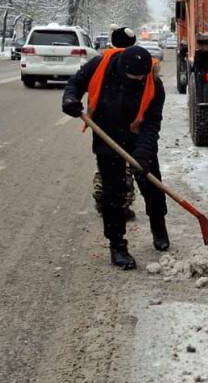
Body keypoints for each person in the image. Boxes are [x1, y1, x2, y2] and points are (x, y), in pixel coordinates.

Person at [62, 44, 169, 269]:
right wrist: (70, 99)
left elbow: (152, 123)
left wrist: (142, 156)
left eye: (141, 77)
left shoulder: (154, 84)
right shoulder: (99, 65)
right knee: (113, 194)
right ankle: (117, 245)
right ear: (121, 69)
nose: (137, 80)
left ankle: (159, 227)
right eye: (133, 77)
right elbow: (75, 84)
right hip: (107, 136)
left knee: (152, 185)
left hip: (137, 138)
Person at [92, 27, 139, 218]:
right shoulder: (135, 62)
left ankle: (108, 202)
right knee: (124, 169)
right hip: (125, 126)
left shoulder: (101, 61)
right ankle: (117, 205)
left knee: (109, 169)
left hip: (106, 124)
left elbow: (77, 82)